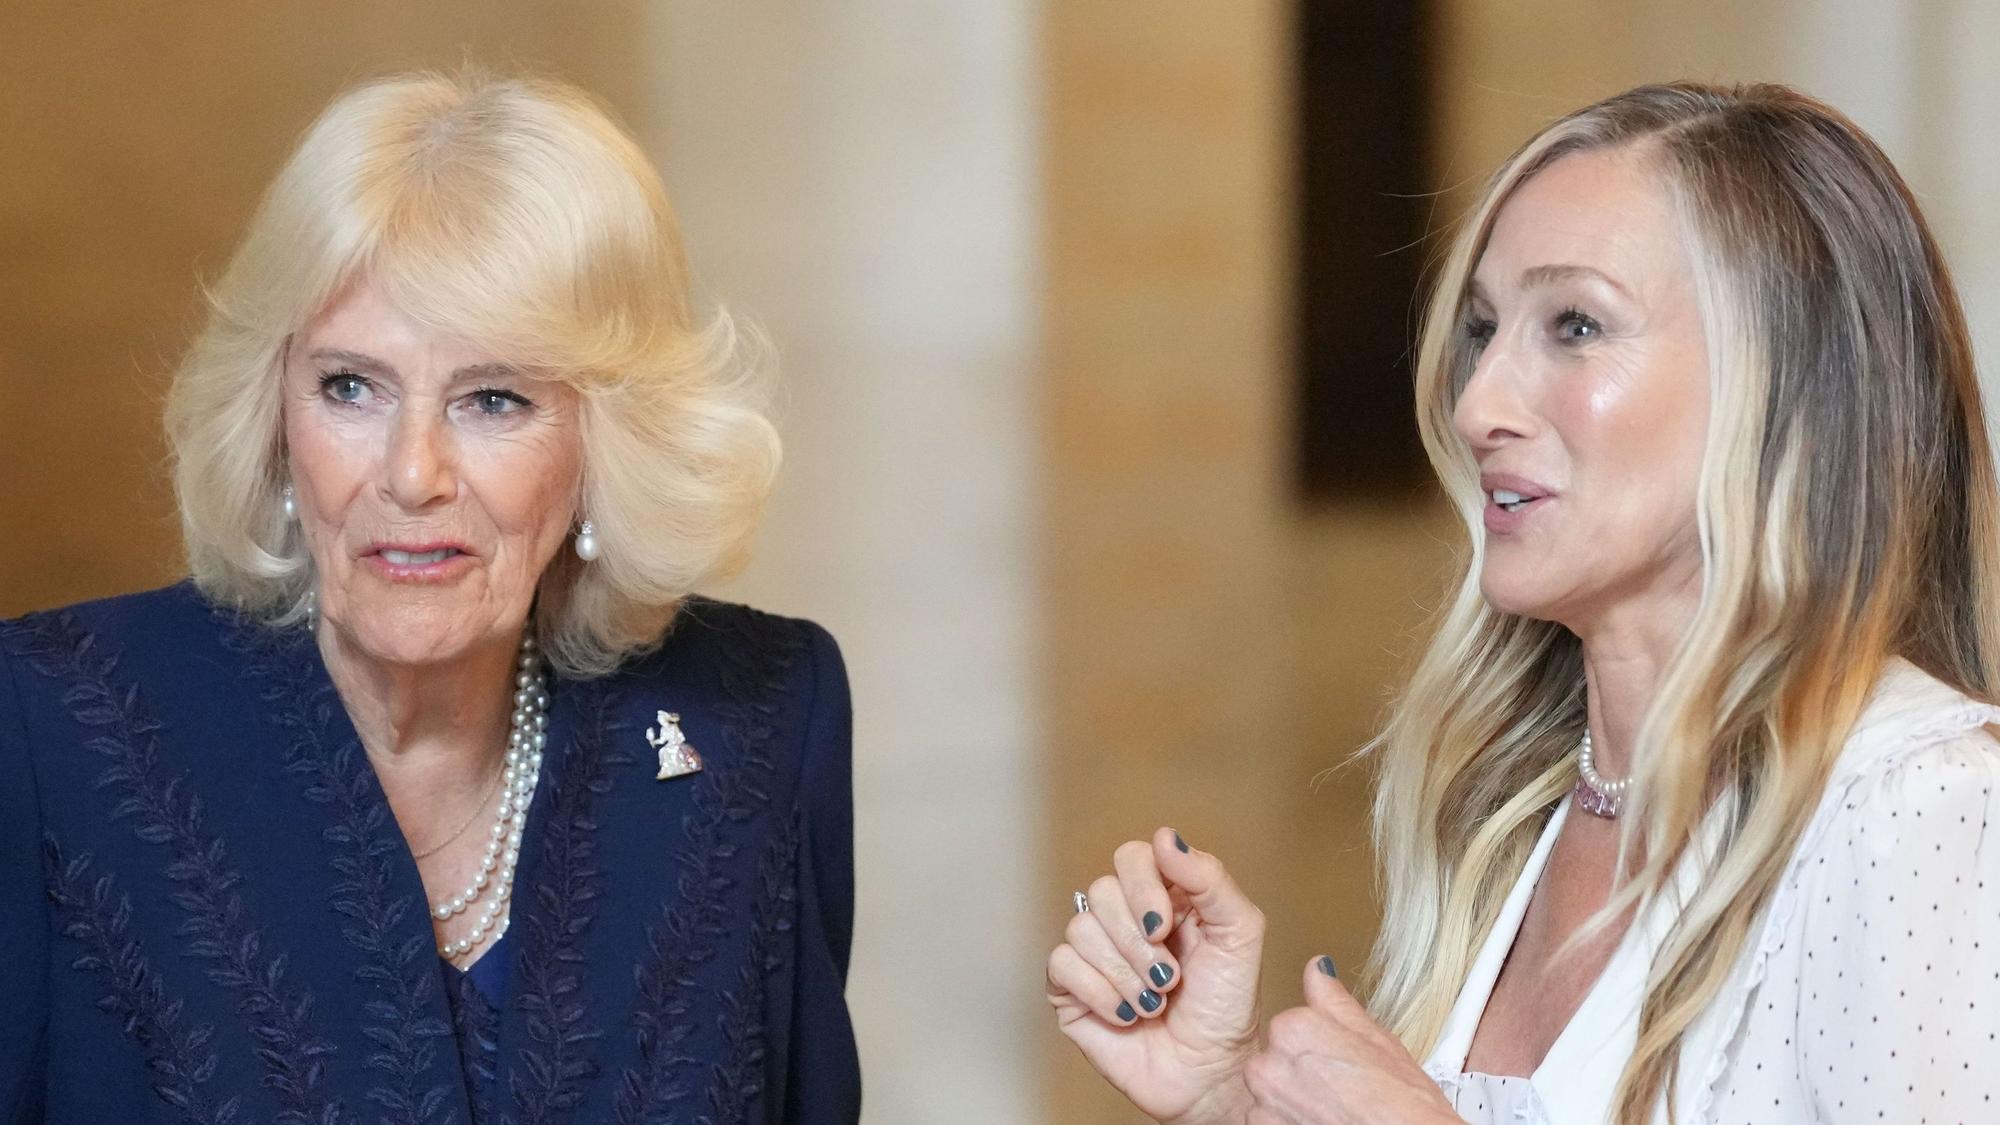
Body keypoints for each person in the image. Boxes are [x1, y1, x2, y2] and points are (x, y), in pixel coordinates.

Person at [1048, 82, 2000, 1123]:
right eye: (1484, 328)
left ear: (1785, 385)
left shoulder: (1919, 803)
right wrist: (1228, 1099)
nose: (1476, 406)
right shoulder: (1514, 811)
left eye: (1575, 325)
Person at [0, 70, 860, 1123]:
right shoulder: (47, 732)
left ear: (606, 441)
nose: (412, 475)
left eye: (492, 398)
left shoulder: (759, 723)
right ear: (275, 414)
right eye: (350, 387)